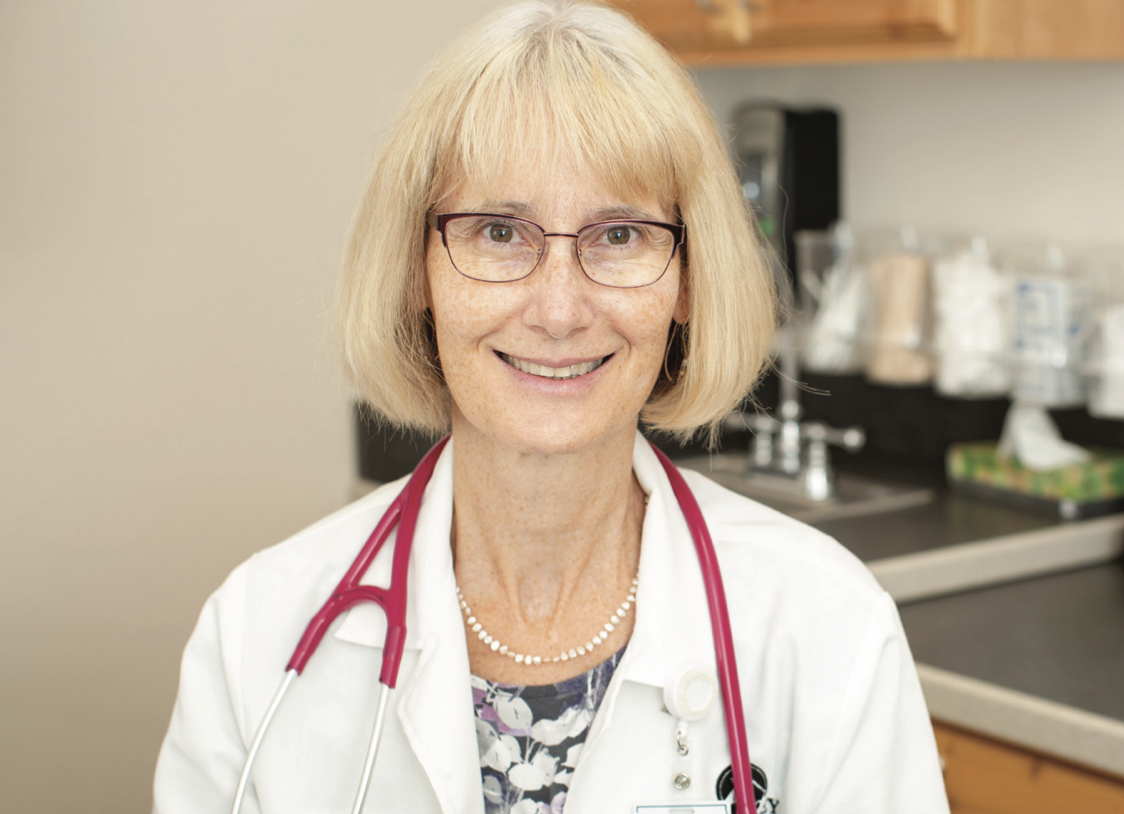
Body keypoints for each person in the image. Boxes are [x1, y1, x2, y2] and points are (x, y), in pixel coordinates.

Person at [152, 2, 948, 812]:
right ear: (417, 272)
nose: (559, 310)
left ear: (688, 281)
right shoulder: (258, 633)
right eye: (500, 233)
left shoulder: (829, 630)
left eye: (619, 235)